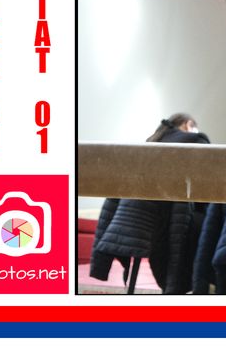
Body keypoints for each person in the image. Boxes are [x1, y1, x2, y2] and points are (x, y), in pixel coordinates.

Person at [89, 111, 210, 294]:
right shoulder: (195, 140)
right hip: (171, 225)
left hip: (139, 226)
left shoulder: (150, 142)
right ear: (187, 124)